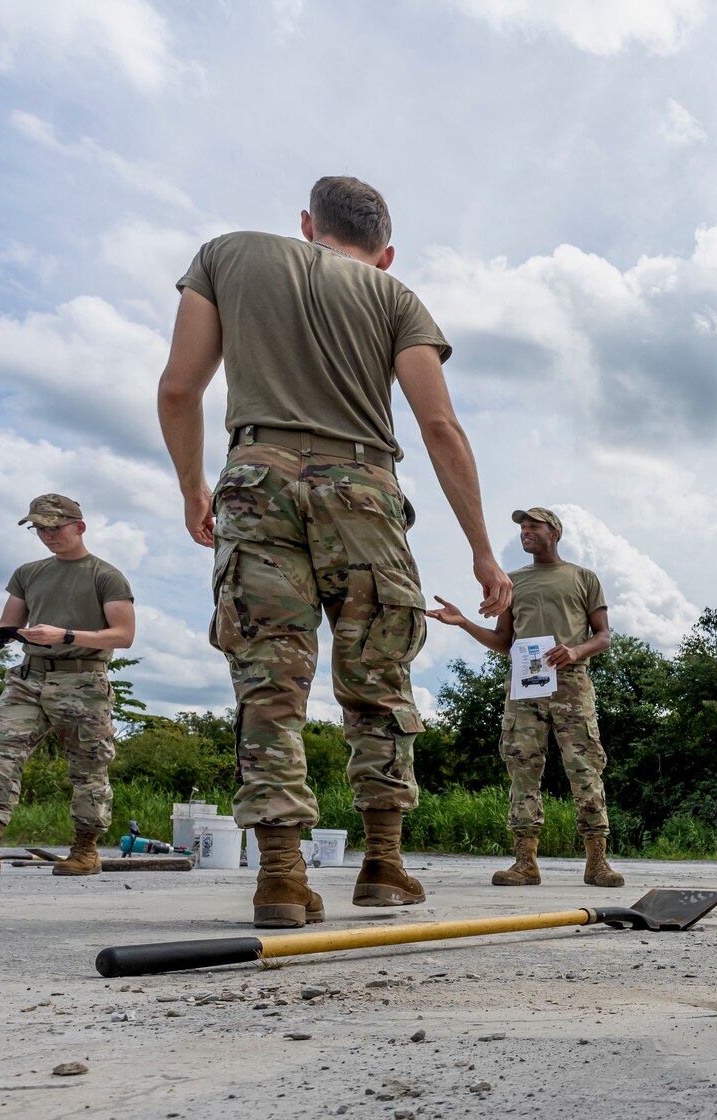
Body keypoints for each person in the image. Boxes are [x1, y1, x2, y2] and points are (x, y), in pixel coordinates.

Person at [158, 175, 511, 928]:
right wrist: (484, 553)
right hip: (364, 488)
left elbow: (178, 390)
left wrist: (195, 489)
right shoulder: (396, 298)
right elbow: (440, 428)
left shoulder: (226, 256)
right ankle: (383, 866)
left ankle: (281, 878)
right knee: (378, 680)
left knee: (269, 683)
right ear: (385, 253)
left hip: (256, 478)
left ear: (307, 222)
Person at [0, 494, 134, 876]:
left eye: (55, 527)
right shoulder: (28, 572)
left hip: (82, 680)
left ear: (79, 527)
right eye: (39, 528)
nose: (47, 535)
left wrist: (65, 635)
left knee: (87, 769)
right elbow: (11, 623)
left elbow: (123, 634)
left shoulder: (105, 575)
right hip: (29, 676)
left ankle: (85, 850)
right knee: (1, 752)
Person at [427, 507, 625, 889]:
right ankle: (525, 862)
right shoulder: (511, 582)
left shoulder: (583, 577)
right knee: (522, 769)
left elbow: (603, 636)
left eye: (533, 526)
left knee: (585, 768)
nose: (525, 532)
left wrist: (575, 651)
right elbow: (504, 641)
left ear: (555, 532)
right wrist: (465, 622)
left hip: (570, 684)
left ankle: (597, 862)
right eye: (522, 527)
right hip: (525, 686)